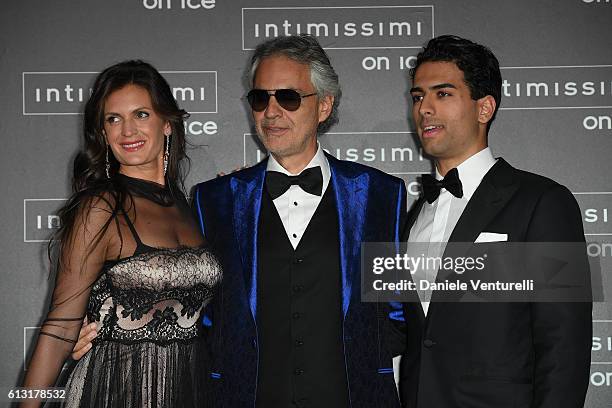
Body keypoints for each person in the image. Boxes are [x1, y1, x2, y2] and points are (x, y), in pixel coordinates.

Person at [193, 34, 406, 407]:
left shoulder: (380, 194)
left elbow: (396, 310)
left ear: (324, 105)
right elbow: (199, 311)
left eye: (288, 97)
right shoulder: (214, 200)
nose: (271, 112)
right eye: (261, 98)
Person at [398, 35, 592, 408]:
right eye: (418, 96)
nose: (424, 108)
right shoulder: (414, 215)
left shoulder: (545, 202)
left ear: (484, 108)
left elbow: (564, 344)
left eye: (443, 94)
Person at [22, 60, 221, 407]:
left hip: (188, 392)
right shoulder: (101, 208)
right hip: (110, 393)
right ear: (103, 133)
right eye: (113, 119)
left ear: (168, 124)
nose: (127, 130)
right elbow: (59, 329)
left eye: (141, 114)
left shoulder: (189, 205)